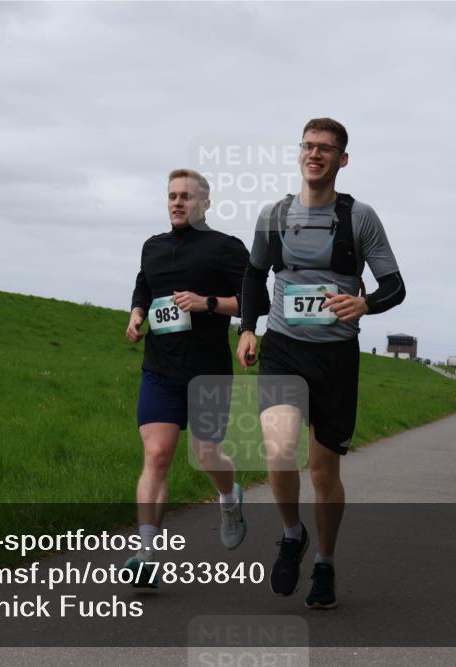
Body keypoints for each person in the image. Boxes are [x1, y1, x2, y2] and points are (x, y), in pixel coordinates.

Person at [236, 118, 406, 609]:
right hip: (284, 347)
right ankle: (292, 535)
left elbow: (395, 285)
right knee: (278, 448)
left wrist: (366, 304)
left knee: (324, 472)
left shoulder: (360, 218)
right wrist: (249, 327)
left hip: (335, 357)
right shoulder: (274, 215)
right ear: (299, 153)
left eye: (326, 149)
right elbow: (253, 274)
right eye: (309, 146)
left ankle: (326, 564)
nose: (316, 155)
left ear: (342, 160)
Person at [125, 169, 251, 584]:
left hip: (208, 371)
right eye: (172, 196)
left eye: (186, 197)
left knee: (206, 455)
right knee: (157, 455)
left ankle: (229, 498)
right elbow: (145, 285)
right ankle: (144, 555)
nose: (177, 203)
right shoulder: (153, 247)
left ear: (205, 204)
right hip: (160, 368)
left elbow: (252, 301)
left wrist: (207, 302)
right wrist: (137, 313)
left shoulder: (225, 248)